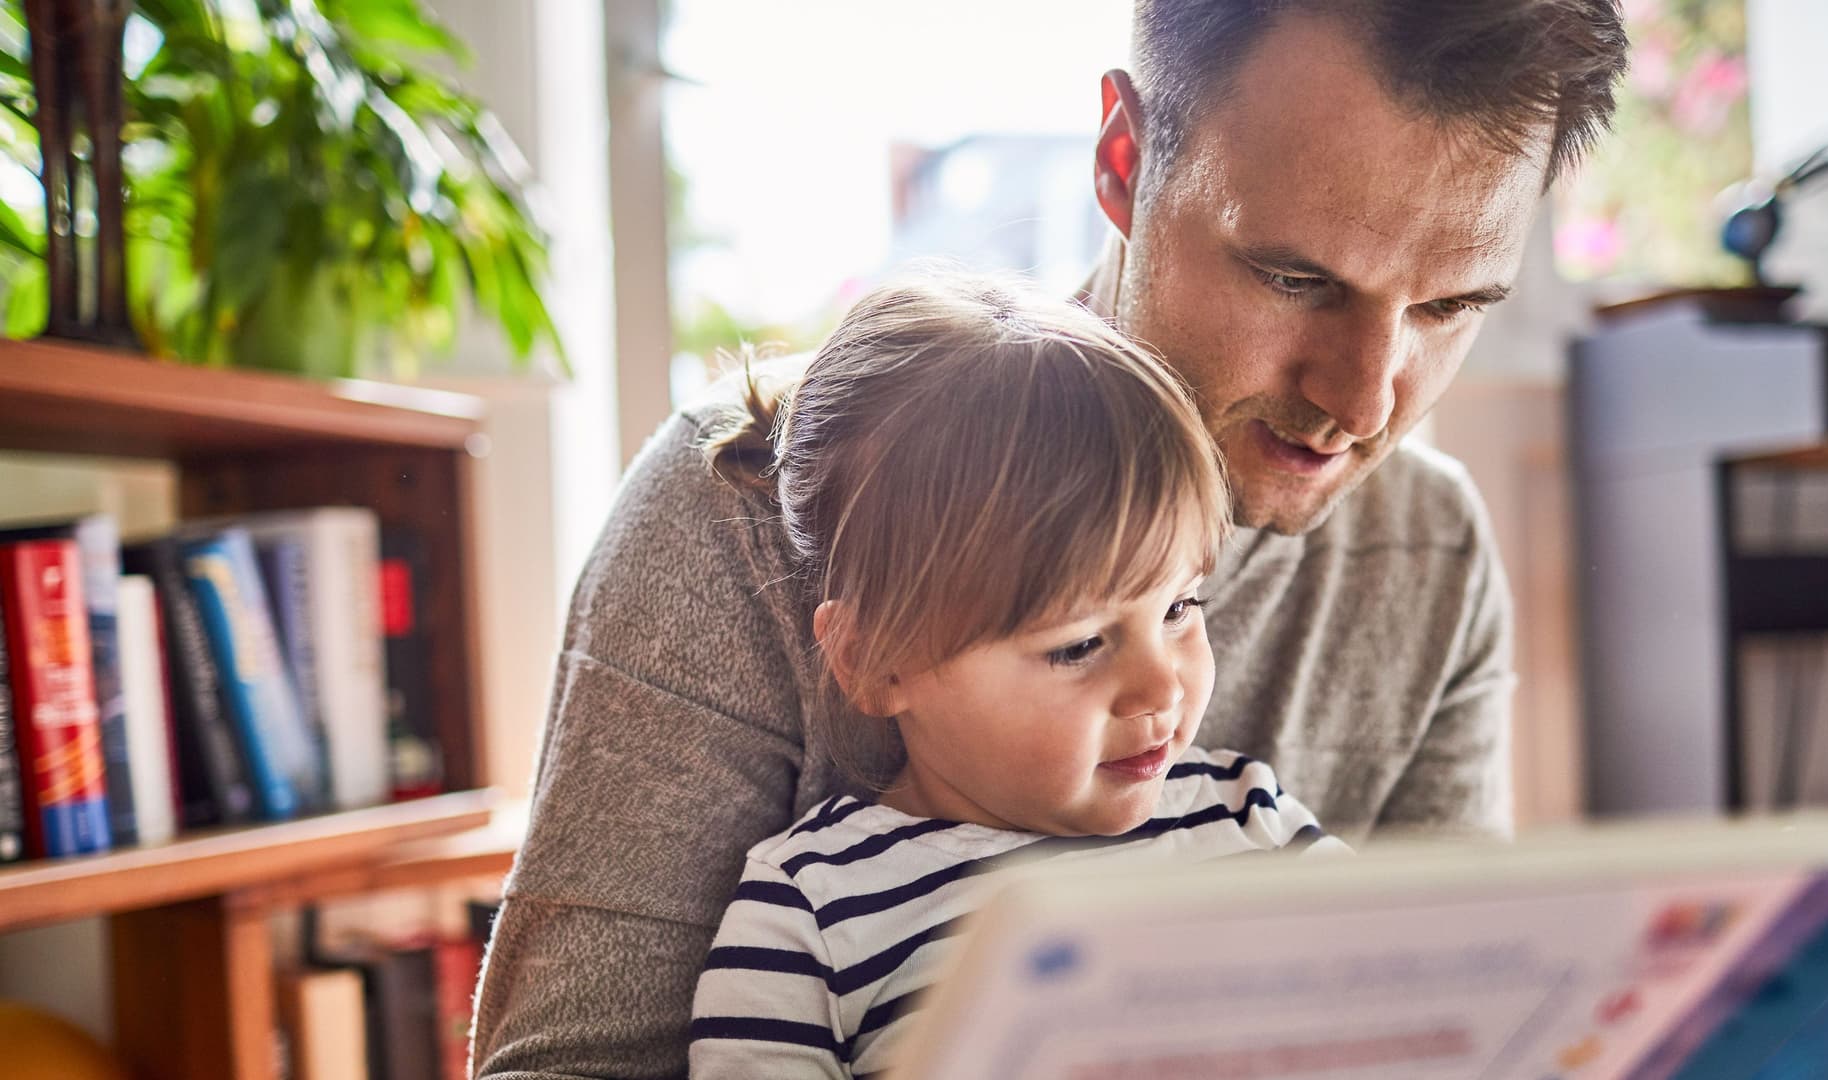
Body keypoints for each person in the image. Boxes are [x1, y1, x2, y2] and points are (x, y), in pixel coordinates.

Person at [471, 2, 1629, 1076]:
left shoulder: (1426, 550)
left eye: (1450, 306)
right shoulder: (749, 498)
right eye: (1294, 278)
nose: (1369, 398)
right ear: (1123, 162)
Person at [685, 274, 1346, 1077]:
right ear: (874, 661)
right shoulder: (809, 912)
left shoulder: (1251, 819)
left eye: (1179, 608)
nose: (1161, 689)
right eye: (1077, 646)